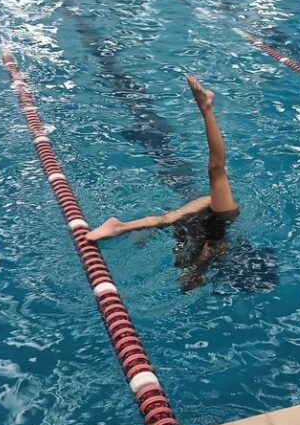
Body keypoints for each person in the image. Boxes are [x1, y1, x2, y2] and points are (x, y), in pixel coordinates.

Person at [87, 76, 239, 291]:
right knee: (214, 170)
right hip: (210, 212)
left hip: (195, 211)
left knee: (170, 215)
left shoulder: (192, 254)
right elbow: (216, 167)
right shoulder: (222, 223)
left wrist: (194, 272)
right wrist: (206, 110)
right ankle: (205, 109)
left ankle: (121, 227)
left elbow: (169, 221)